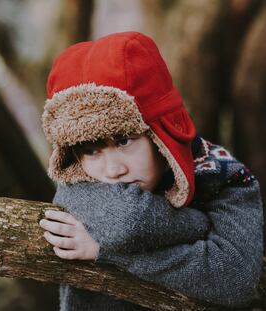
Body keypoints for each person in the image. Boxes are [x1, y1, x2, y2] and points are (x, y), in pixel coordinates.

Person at [38, 31, 263, 310]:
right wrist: (197, 225)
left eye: (123, 140)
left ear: (159, 134)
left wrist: (107, 252)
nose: (113, 169)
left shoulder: (225, 177)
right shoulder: (78, 177)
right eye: (91, 149)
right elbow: (128, 221)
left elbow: (234, 279)